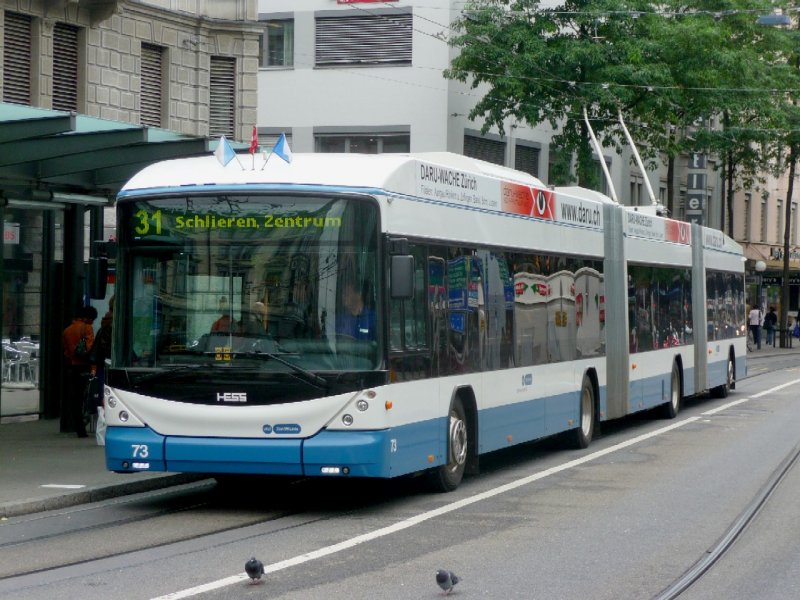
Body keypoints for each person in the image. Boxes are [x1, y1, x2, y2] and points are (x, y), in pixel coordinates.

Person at [62, 305, 98, 438]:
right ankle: (84, 425)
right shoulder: (87, 328)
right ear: (87, 318)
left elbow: (66, 351)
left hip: (72, 366)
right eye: (92, 319)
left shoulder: (67, 330)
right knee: (86, 396)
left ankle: (78, 427)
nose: (93, 322)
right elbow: (90, 348)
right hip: (84, 366)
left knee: (75, 398)